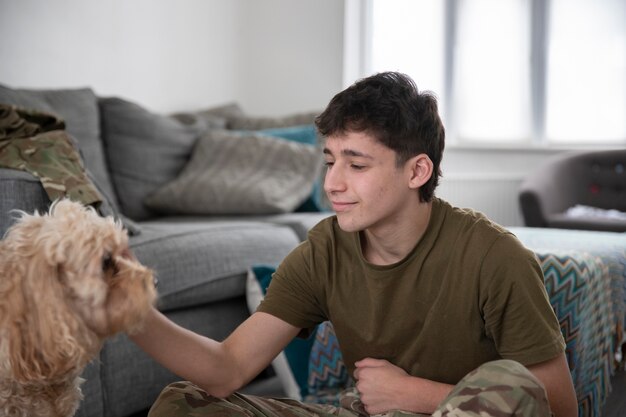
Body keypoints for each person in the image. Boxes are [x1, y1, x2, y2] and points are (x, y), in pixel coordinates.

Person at [130, 72, 577, 417]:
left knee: (511, 382)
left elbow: (557, 405)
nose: (333, 183)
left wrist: (414, 395)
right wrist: (131, 312)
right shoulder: (323, 251)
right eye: (329, 161)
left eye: (356, 164)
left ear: (417, 172)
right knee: (183, 403)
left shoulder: (495, 257)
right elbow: (227, 369)